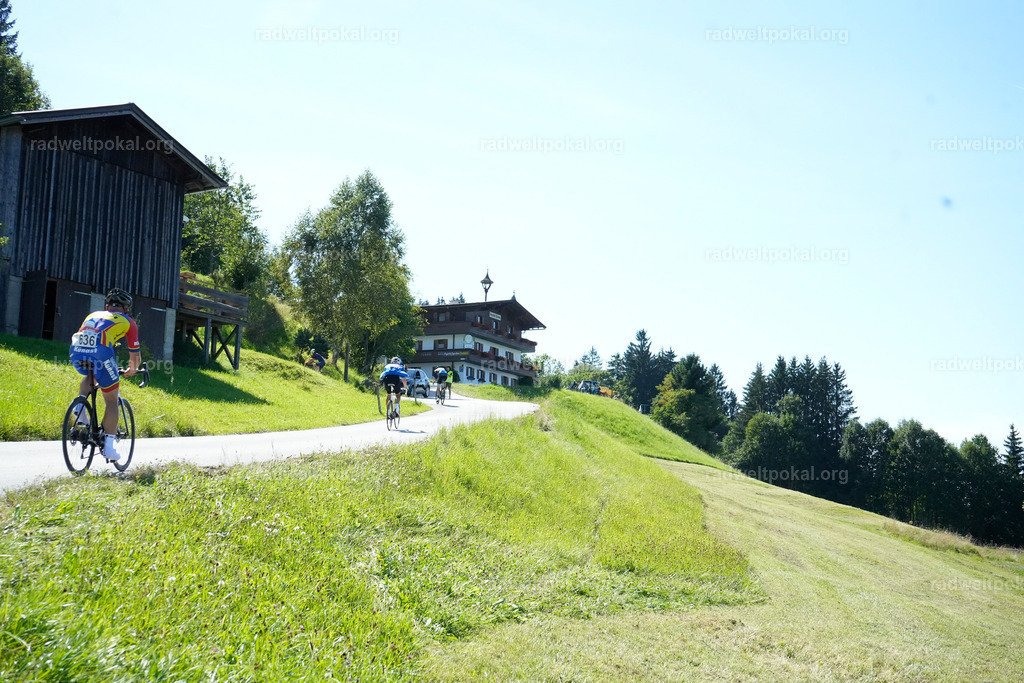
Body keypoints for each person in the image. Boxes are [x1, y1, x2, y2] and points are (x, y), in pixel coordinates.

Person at [68, 287, 142, 461]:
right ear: (125, 308)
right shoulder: (128, 321)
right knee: (111, 399)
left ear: (107, 306)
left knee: (91, 373)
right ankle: (108, 446)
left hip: (75, 350)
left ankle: (80, 403)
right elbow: (134, 354)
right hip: (100, 351)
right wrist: (133, 369)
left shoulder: (92, 315)